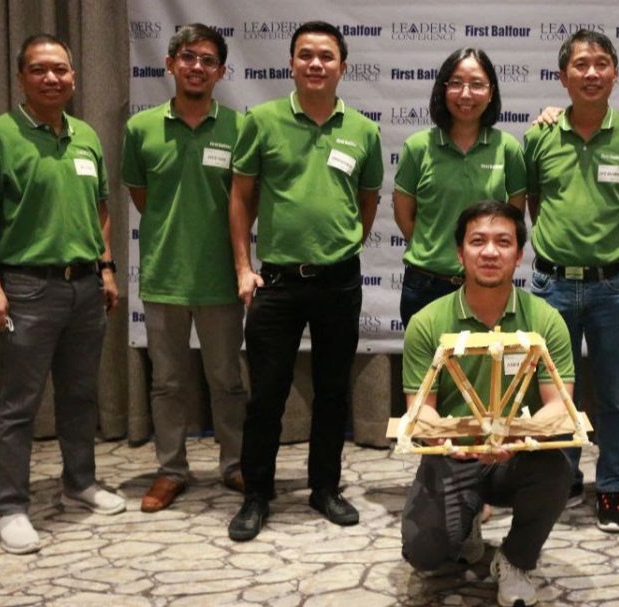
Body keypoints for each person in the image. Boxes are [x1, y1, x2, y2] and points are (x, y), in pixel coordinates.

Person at [0, 33, 125, 554]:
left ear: (74, 77)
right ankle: (10, 506)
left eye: (60, 70)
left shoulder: (86, 136)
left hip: (84, 286)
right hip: (27, 287)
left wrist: (105, 268)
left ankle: (79, 482)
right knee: (20, 403)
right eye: (39, 69)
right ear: (21, 78)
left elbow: (101, 209)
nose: (52, 78)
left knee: (80, 396)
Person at [226, 21, 383, 541]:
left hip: (339, 282)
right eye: (306, 55)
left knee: (333, 390)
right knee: (266, 394)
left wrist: (341, 248)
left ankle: (325, 488)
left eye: (327, 56)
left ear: (343, 66)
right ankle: (256, 495)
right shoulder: (262, 121)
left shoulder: (364, 130)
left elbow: (368, 202)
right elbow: (240, 198)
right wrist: (244, 268)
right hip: (277, 283)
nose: (316, 64)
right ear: (291, 63)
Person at [523, 29, 619, 532]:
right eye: (580, 65)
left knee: (614, 395)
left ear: (615, 73)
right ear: (563, 77)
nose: (590, 73)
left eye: (601, 63)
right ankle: (561, 479)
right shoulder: (539, 135)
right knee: (553, 393)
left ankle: (611, 488)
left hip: (612, 287)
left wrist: (611, 241)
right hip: (552, 286)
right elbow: (534, 204)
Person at [401, 201, 573, 607]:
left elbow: (559, 407)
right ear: (460, 253)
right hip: (454, 455)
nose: (491, 252)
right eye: (478, 241)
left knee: (560, 462)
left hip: (517, 457)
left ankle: (515, 560)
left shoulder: (546, 320)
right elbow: (419, 410)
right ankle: (469, 519)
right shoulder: (427, 321)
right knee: (424, 555)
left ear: (519, 255)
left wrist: (518, 437)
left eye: (503, 242)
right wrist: (453, 442)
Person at [121, 24, 247, 513]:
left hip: (221, 278)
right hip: (164, 276)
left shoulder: (239, 128)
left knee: (227, 381)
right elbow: (141, 197)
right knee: (167, 382)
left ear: (222, 71)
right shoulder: (141, 128)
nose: (198, 67)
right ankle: (171, 470)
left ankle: (234, 464)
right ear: (170, 63)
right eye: (188, 57)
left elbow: (245, 202)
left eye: (208, 60)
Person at [394, 47, 526, 327]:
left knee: (482, 370)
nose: (466, 94)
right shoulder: (418, 147)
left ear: (491, 93)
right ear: (442, 90)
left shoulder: (508, 149)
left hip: (485, 286)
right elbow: (405, 215)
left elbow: (513, 219)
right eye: (456, 83)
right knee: (427, 371)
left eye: (477, 84)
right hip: (425, 286)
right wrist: (435, 251)